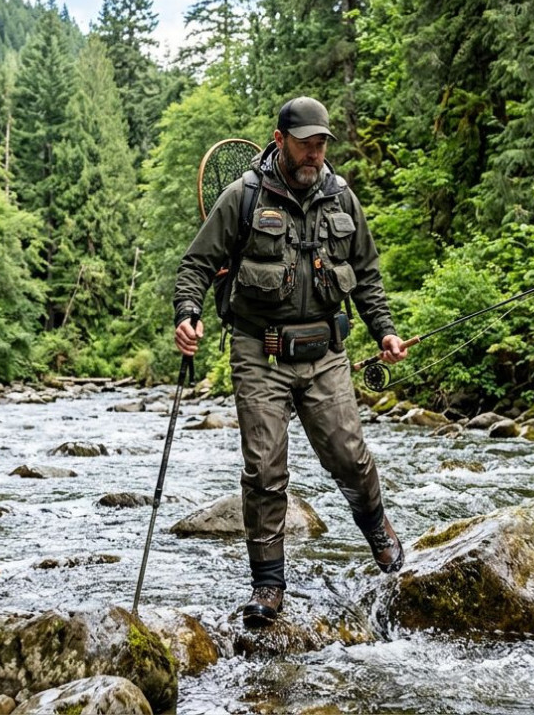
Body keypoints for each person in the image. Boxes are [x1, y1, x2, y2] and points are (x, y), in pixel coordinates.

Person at [173, 96, 408, 627]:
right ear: (280, 140)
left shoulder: (342, 197)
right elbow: (196, 264)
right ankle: (269, 585)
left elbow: (366, 274)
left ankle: (379, 533)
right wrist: (187, 313)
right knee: (263, 470)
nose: (315, 154)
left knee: (350, 456)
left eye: (322, 143)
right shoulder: (243, 198)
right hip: (260, 352)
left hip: (326, 352)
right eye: (305, 143)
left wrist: (385, 332)